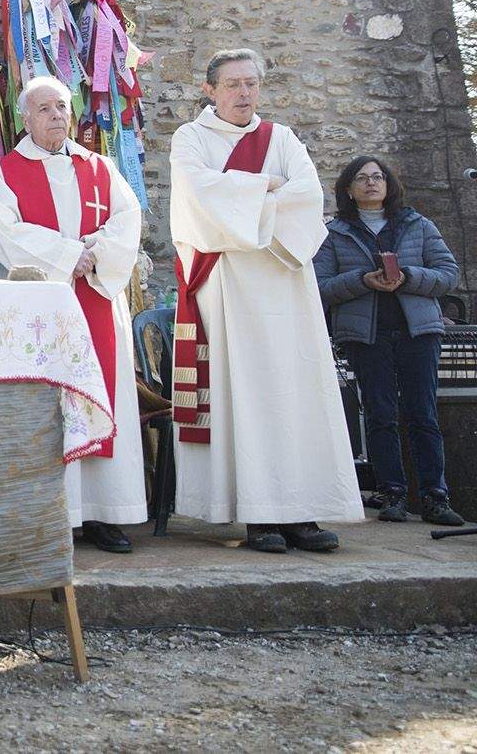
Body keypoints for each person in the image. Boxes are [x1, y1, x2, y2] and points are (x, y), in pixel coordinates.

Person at [169, 48, 363, 553]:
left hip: (284, 278)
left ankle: (300, 511)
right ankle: (257, 516)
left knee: (294, 394)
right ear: (210, 89)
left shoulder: (281, 138)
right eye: (233, 84)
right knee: (246, 397)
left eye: (251, 83)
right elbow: (200, 197)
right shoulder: (191, 139)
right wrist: (268, 188)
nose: (244, 93)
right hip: (230, 284)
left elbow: (308, 198)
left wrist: (250, 194)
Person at [0, 76, 146, 552]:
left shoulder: (99, 167)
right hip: (40, 309)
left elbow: (127, 219)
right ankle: (57, 513)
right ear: (25, 118)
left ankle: (105, 511)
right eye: (45, 109)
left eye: (61, 106)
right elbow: (4, 235)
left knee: (101, 394)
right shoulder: (2, 173)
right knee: (52, 401)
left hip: (95, 295)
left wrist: (93, 254)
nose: (57, 115)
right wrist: (67, 255)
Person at [314, 156, 465, 526]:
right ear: (348, 188)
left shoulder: (418, 225)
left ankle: (434, 497)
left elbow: (448, 275)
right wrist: (363, 281)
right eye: (361, 178)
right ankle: (391, 493)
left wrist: (409, 276)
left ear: (388, 184)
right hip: (368, 335)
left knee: (423, 415)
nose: (370, 183)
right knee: (380, 415)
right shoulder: (333, 234)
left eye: (377, 177)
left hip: (419, 332)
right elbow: (318, 287)